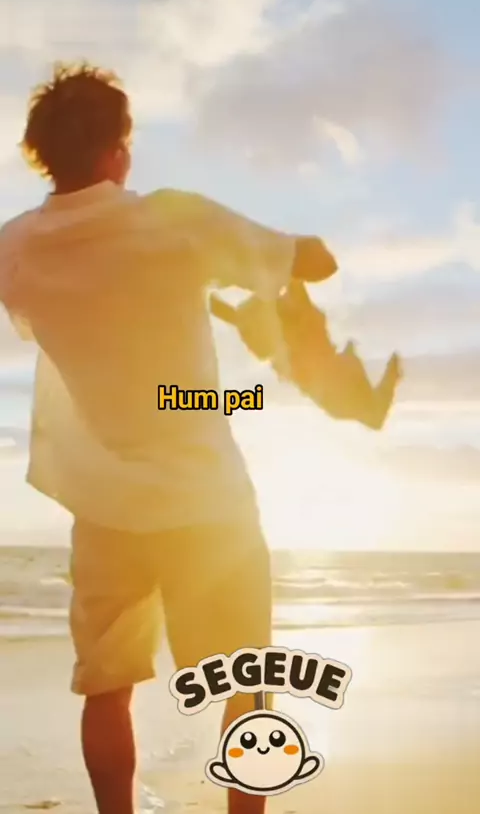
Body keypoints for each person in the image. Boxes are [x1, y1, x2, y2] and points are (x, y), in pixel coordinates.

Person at [0, 62, 338, 814]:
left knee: (107, 688)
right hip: (205, 500)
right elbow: (313, 261)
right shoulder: (175, 219)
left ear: (41, 155)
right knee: (246, 680)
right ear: (117, 150)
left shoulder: (15, 246)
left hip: (102, 503)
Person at [210, 280, 402, 430]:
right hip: (320, 373)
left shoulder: (300, 337)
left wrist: (391, 373)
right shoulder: (303, 334)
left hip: (317, 370)